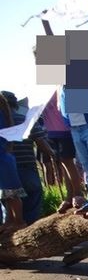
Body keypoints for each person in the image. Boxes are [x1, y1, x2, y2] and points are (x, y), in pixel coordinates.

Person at [43, 13, 88, 217]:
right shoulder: (61, 80)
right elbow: (51, 44)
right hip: (75, 129)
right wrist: (45, 22)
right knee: (87, 168)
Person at [2, 91, 49, 224]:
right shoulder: (25, 120)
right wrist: (53, 154)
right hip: (28, 169)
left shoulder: (2, 123)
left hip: (7, 172)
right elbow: (42, 144)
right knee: (32, 209)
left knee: (10, 210)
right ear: (15, 104)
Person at [41, 89, 84, 212]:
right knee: (63, 163)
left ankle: (78, 194)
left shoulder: (58, 89)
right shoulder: (39, 93)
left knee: (68, 162)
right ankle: (69, 196)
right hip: (52, 132)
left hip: (65, 130)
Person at [0, 95, 25, 231]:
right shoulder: (4, 113)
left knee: (12, 192)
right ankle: (10, 221)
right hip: (4, 157)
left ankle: (19, 221)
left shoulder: (1, 114)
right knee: (6, 193)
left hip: (3, 157)